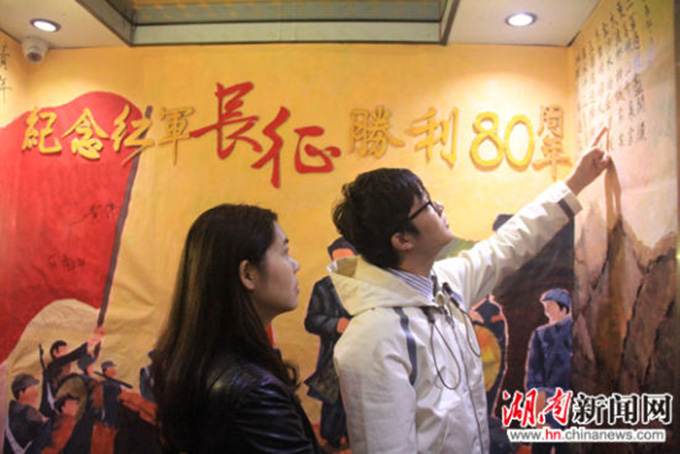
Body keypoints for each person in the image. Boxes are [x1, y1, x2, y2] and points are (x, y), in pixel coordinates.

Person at [328, 127, 610, 453]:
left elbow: (508, 244)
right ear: (402, 239)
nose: (440, 206)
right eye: (427, 205)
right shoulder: (371, 341)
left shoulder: (444, 284)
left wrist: (575, 183)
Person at [151, 204, 321, 453]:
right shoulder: (254, 393)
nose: (295, 265)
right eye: (285, 253)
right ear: (248, 274)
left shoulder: (202, 363)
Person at [304, 237, 356, 449]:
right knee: (333, 401)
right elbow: (311, 321)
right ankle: (332, 441)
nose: (342, 266)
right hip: (333, 357)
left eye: (347, 261)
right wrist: (336, 324)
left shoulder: (370, 286)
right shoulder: (323, 288)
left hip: (362, 356)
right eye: (337, 261)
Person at [525, 288, 573, 454]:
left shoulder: (576, 330)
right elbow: (534, 373)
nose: (547, 311)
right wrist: (538, 406)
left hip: (573, 404)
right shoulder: (541, 335)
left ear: (564, 309)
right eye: (546, 307)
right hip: (547, 402)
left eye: (551, 307)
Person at [3, 374, 49, 454]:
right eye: (32, 390)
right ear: (21, 393)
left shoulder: (10, 414)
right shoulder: (27, 412)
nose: (36, 394)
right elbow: (49, 427)